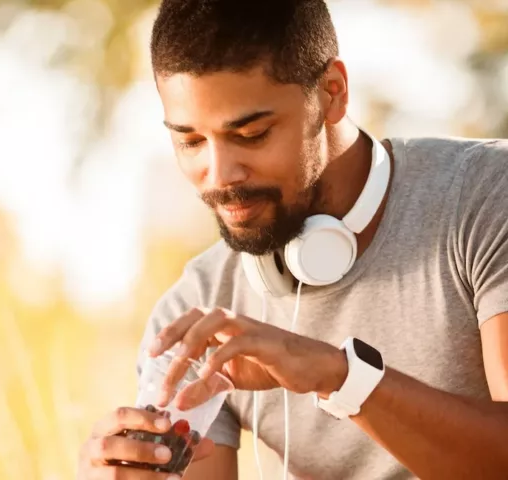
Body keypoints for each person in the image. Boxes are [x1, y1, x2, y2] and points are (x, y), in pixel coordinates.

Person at [77, 0, 508, 479]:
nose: (219, 176)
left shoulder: (487, 195)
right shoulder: (198, 309)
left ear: (332, 92)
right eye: (191, 142)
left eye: (252, 134)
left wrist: (340, 377)